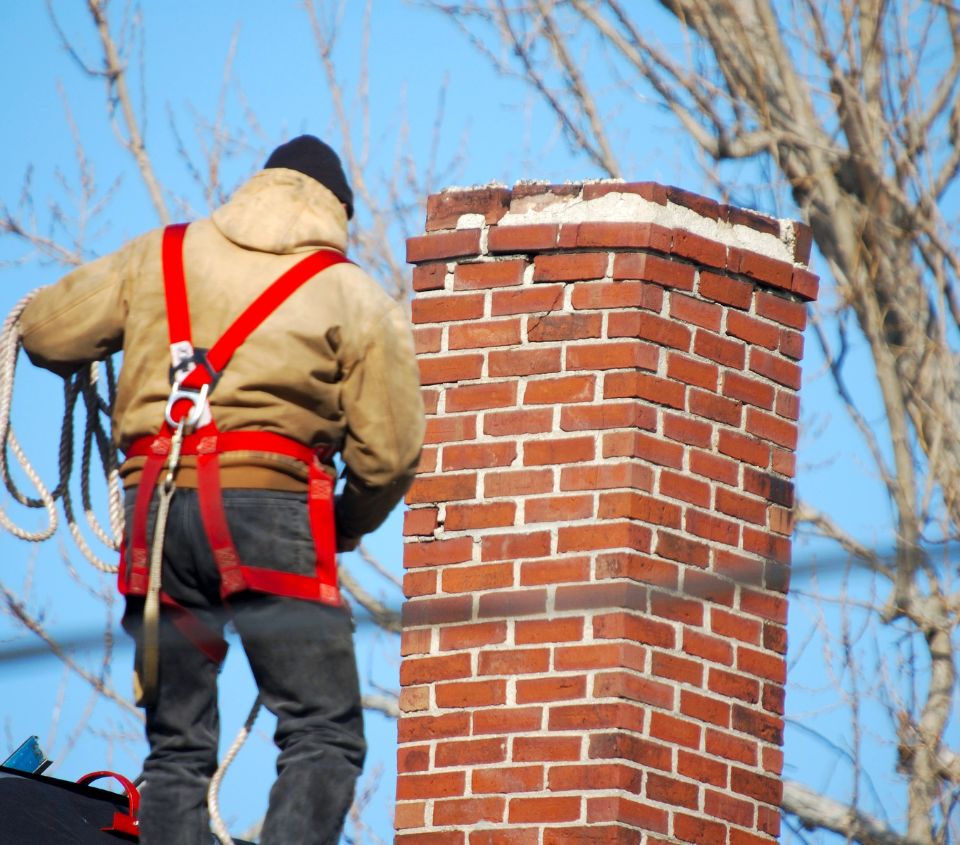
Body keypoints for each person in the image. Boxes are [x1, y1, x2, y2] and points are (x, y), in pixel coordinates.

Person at [18, 136, 425, 845]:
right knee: (322, 730)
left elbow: (48, 332)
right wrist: (346, 522)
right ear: (337, 212)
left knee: (176, 747)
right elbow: (389, 456)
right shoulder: (351, 291)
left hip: (157, 514)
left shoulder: (160, 254)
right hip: (271, 512)